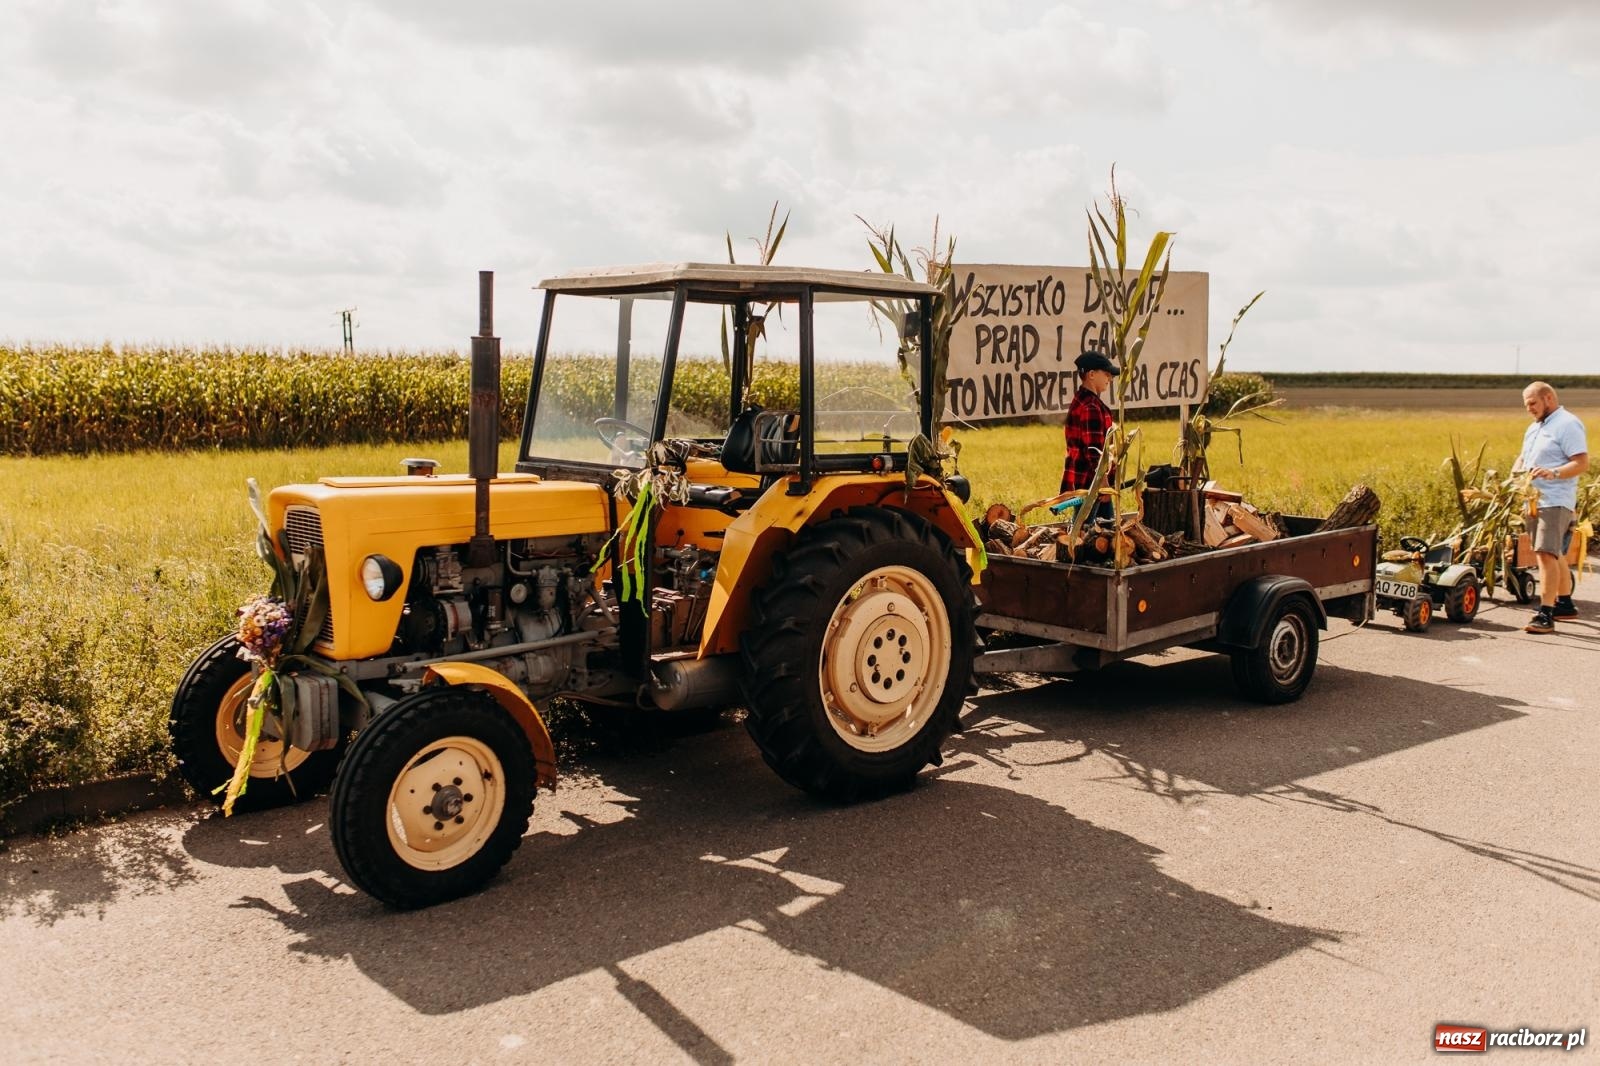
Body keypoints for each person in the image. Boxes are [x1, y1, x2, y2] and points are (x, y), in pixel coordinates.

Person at [1515, 381, 1589, 634]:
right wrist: (1516, 472)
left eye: (1533, 403)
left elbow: (1581, 462)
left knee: (1545, 553)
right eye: (1526, 405)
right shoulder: (1535, 428)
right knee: (1550, 552)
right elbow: (1524, 457)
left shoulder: (1567, 424)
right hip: (1534, 500)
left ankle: (1545, 614)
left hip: (1555, 499)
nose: (1529, 409)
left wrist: (1553, 472)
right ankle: (1565, 604)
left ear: (1548, 398)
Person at [1062, 351, 1118, 521]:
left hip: (1086, 481)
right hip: (1092, 484)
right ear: (1091, 375)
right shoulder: (1091, 407)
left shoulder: (1081, 400)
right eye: (1106, 373)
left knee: (1089, 530)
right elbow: (1094, 452)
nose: (1110, 378)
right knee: (1093, 533)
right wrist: (1104, 485)